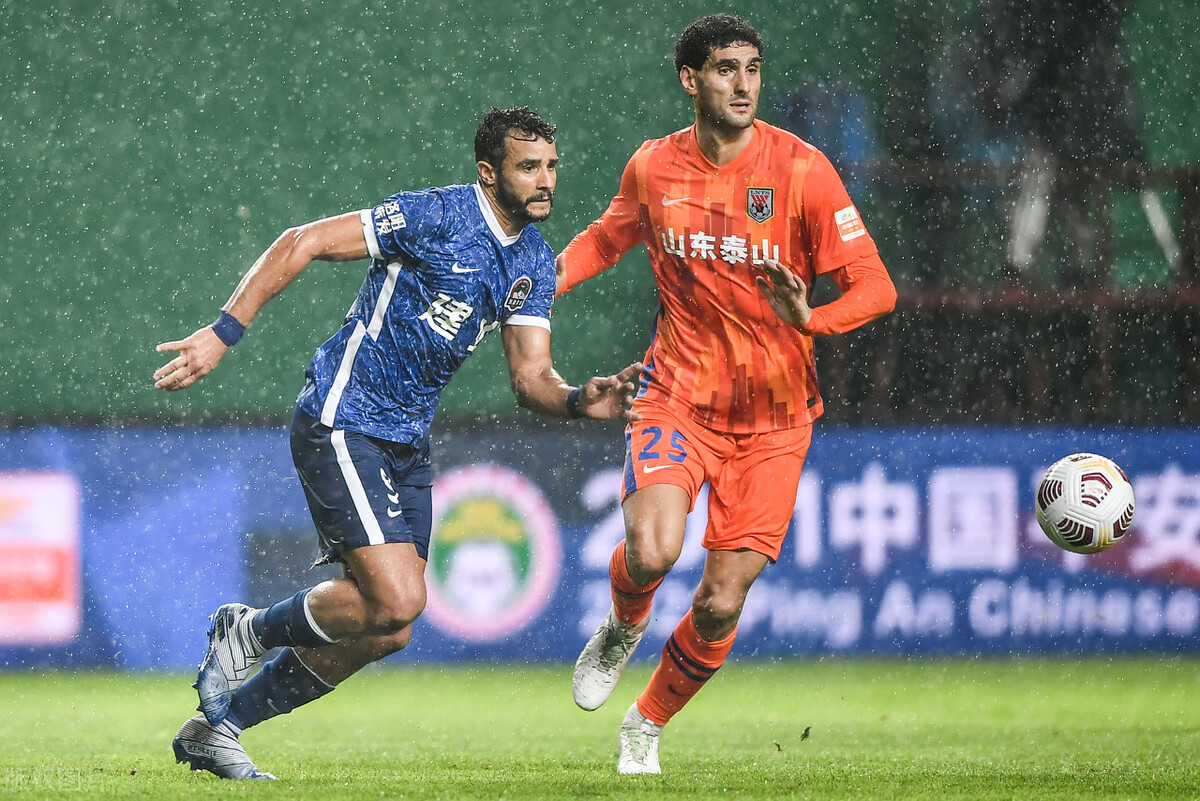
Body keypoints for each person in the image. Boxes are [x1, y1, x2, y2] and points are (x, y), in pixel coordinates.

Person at [154, 106, 641, 781]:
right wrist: (222, 333)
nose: (545, 179)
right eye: (529, 166)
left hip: (407, 441)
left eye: (552, 165)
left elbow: (531, 375)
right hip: (343, 416)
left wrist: (578, 399)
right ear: (488, 170)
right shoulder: (434, 216)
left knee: (390, 627)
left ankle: (222, 725)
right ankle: (251, 629)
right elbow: (303, 240)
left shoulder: (531, 258)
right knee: (398, 598)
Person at [557, 15, 896, 775]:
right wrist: (542, 283)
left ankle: (645, 722)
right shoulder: (653, 167)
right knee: (650, 551)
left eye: (752, 68)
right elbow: (608, 237)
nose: (743, 84)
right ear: (690, 80)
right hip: (675, 394)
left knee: (718, 602)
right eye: (724, 70)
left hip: (774, 421)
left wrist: (814, 317)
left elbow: (877, 288)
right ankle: (622, 621)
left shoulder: (802, 171)